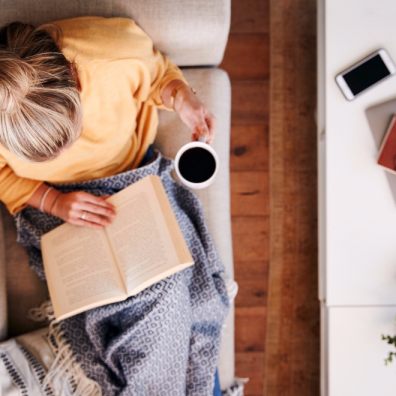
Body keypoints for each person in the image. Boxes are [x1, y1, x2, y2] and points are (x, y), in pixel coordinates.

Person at [0, 16, 226, 395]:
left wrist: (180, 97)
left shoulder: (112, 53)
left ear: (73, 73)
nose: (67, 152)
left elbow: (157, 77)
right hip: (54, 203)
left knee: (171, 288)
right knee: (110, 306)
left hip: (130, 179)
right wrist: (52, 200)